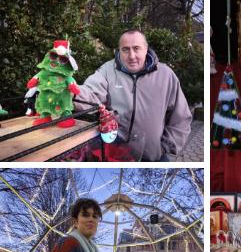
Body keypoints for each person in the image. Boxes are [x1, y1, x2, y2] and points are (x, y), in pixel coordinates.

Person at [75, 29, 192, 161]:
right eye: (125, 49)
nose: (131, 56)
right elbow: (91, 94)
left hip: (152, 158)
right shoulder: (107, 71)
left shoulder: (166, 75)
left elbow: (181, 119)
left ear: (146, 49)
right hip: (115, 155)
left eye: (136, 48)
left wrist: (166, 149)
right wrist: (71, 91)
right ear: (118, 50)